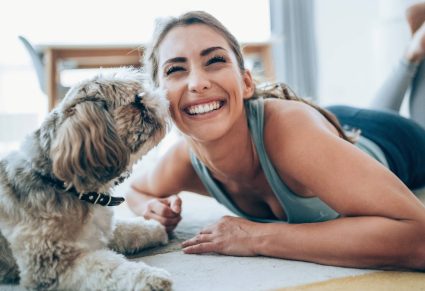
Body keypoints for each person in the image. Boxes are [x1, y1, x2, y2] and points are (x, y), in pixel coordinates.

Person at [126, 5, 425, 270]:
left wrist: (258, 237)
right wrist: (151, 210)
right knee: (370, 116)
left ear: (245, 83)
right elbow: (137, 190)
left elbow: (418, 238)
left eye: (215, 60)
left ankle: (414, 55)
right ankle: (412, 52)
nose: (198, 82)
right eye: (175, 69)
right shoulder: (184, 159)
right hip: (336, 127)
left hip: (396, 143)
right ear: (158, 99)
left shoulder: (290, 131)